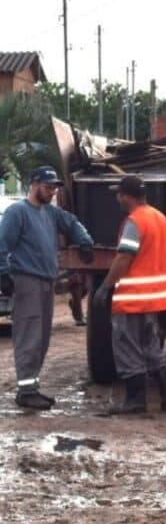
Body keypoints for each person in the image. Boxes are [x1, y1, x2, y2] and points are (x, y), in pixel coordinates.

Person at [0, 166, 94, 410]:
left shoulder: (50, 213)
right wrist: (3, 274)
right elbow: (2, 244)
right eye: (48, 186)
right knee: (29, 335)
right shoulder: (17, 212)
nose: (52, 191)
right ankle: (26, 391)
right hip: (27, 281)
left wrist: (84, 240)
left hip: (46, 281)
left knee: (41, 337)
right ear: (34, 184)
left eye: (54, 187)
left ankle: (31, 387)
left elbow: (71, 222)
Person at [93, 175, 166, 414]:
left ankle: (136, 399)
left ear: (126, 196)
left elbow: (124, 256)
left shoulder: (134, 222)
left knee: (127, 347)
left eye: (119, 194)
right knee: (150, 346)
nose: (117, 198)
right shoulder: (161, 219)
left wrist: (106, 286)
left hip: (132, 297)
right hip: (154, 297)